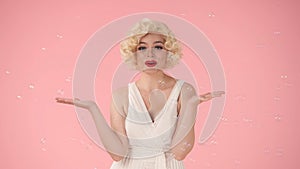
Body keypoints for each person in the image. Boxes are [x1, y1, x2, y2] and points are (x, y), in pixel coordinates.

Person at [56, 18, 225, 169]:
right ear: (133, 54)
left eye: (158, 47)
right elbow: (118, 154)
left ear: (169, 52)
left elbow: (179, 153)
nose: (150, 53)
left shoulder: (184, 91)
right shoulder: (121, 96)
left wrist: (191, 106)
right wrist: (92, 109)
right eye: (142, 48)